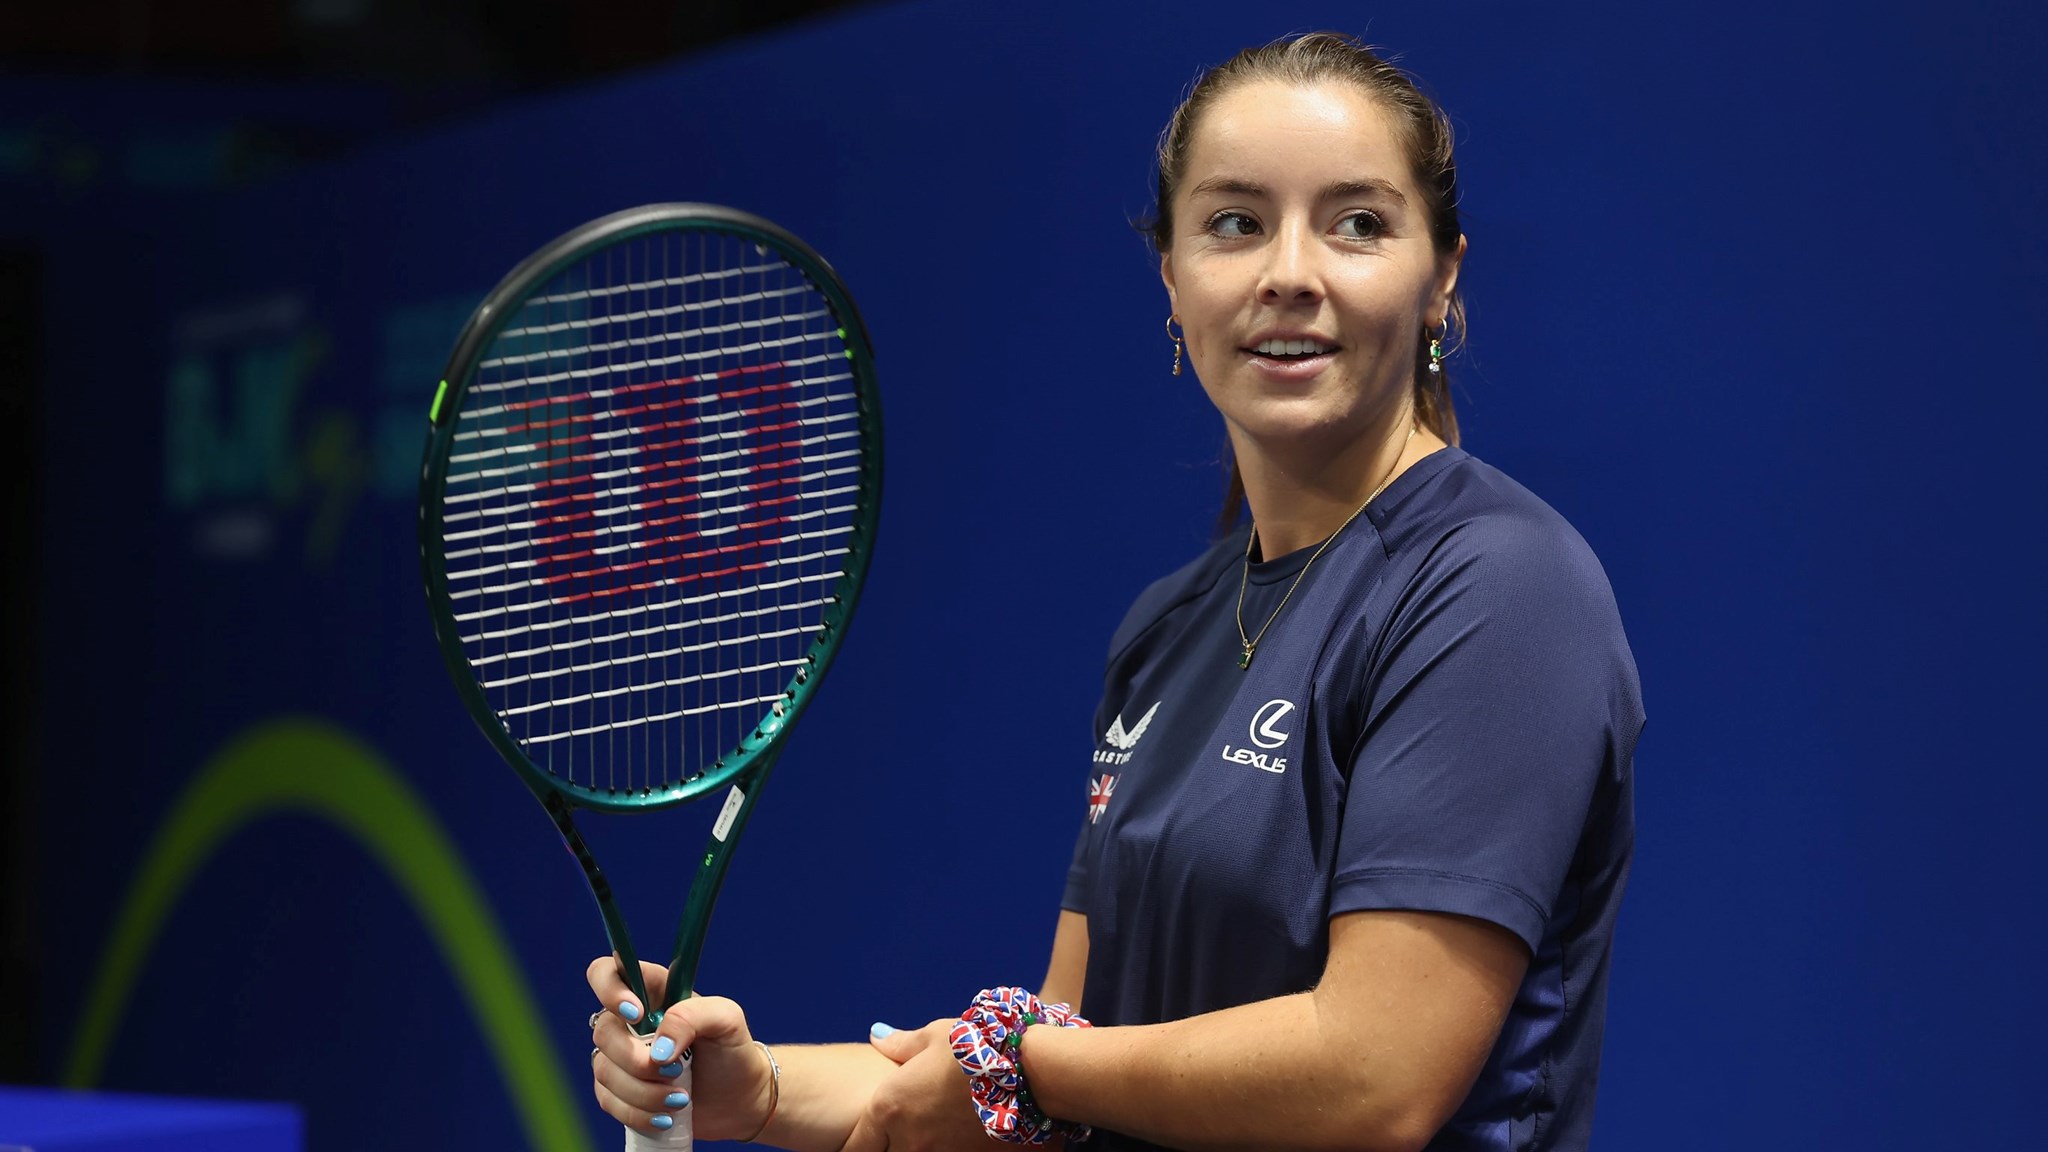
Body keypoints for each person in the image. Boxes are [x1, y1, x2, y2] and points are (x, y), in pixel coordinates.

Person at [589, 31, 1641, 1152]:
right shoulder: (1166, 626)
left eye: (1356, 223)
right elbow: (1077, 1059)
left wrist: (1019, 1065)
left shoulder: (1497, 585)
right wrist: (761, 1091)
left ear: (1440, 280)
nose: (1288, 271)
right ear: (1173, 286)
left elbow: (1373, 1078)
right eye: (1234, 223)